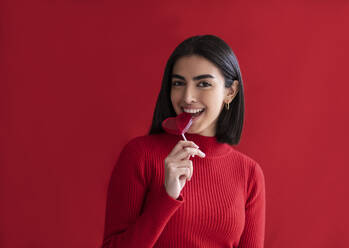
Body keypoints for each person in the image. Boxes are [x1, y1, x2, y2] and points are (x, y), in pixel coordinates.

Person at [101, 34, 266, 248]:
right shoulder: (139, 155)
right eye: (179, 83)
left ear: (230, 92)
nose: (187, 96)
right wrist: (167, 197)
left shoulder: (249, 174)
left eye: (203, 84)